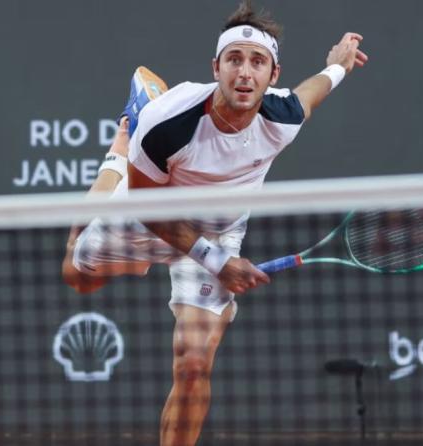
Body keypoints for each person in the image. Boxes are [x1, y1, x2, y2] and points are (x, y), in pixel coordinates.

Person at [62, 1, 368, 445]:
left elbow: (315, 89)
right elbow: (151, 211)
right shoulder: (169, 124)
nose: (246, 72)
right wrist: (217, 261)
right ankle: (119, 149)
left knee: (192, 364)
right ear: (217, 67)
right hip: (152, 216)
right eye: (235, 60)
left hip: (220, 231)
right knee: (76, 276)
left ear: (273, 74)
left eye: (258, 62)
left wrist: (338, 67)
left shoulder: (283, 117)